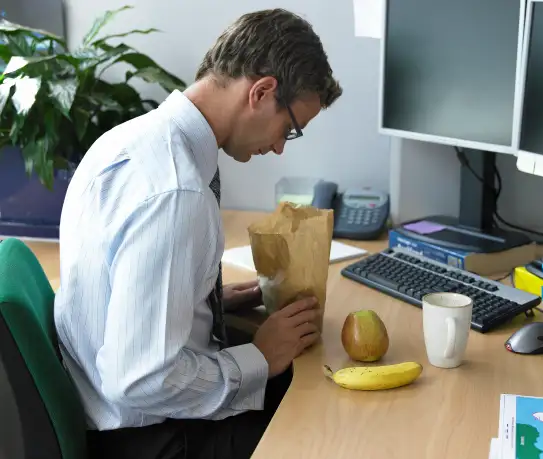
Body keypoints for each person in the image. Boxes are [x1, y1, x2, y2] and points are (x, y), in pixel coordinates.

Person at [53, 7, 342, 459]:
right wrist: (259, 359)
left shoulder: (131, 139)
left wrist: (196, 301)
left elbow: (119, 293)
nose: (280, 147)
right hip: (150, 438)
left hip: (107, 403)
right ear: (262, 92)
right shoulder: (177, 193)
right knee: (330, 420)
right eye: (290, 128)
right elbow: (140, 377)